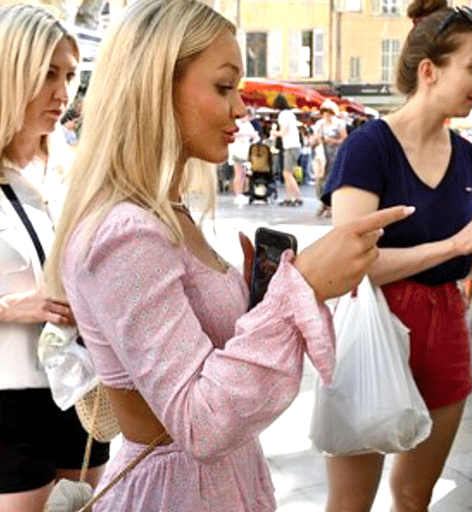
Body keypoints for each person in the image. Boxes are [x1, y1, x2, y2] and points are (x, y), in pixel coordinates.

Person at [43, 1, 413, 510]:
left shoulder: (164, 211)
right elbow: (201, 420)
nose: (240, 108)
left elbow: (209, 368)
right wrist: (300, 287)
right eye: (223, 87)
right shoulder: (123, 232)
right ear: (156, 87)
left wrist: (261, 303)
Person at [322, 1, 472, 510]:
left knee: (414, 496)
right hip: (374, 328)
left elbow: (463, 264)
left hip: (445, 329)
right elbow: (346, 263)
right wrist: (457, 243)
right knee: (351, 501)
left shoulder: (469, 156)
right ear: (430, 71)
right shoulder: (369, 148)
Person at [0, 5, 109, 512]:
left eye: (69, 74)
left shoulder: (71, 171)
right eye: (47, 74)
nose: (63, 93)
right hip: (8, 401)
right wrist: (9, 308)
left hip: (82, 390)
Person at [312, 99, 347, 218]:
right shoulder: (319, 124)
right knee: (319, 180)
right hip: (322, 155)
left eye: (329, 113)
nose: (327, 116)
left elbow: (344, 139)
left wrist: (333, 141)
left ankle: (330, 205)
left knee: (331, 179)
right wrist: (317, 139)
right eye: (324, 113)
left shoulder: (339, 124)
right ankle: (324, 203)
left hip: (335, 155)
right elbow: (313, 140)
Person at [272, 93, 303, 206]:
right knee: (288, 173)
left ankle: (298, 197)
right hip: (295, 145)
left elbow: (283, 132)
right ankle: (288, 198)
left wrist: (274, 132)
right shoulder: (291, 114)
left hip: (290, 146)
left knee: (287, 173)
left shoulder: (282, 115)